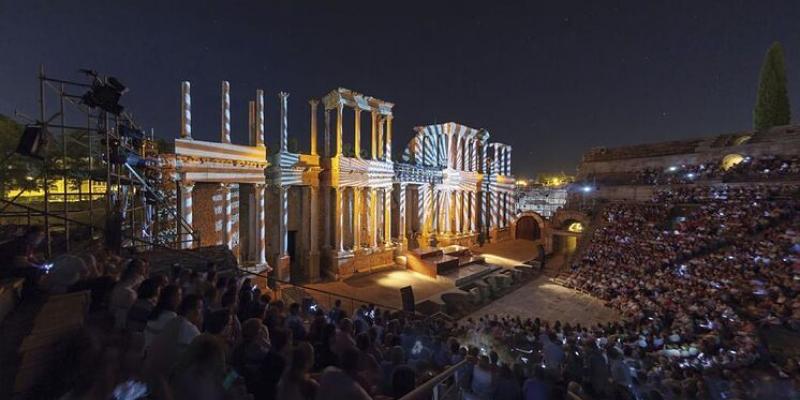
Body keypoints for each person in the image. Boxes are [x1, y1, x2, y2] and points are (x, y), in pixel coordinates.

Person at [144, 294, 204, 382]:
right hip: (165, 379)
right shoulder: (189, 328)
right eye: (199, 308)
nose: (201, 312)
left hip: (152, 371)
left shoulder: (174, 321)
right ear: (191, 310)